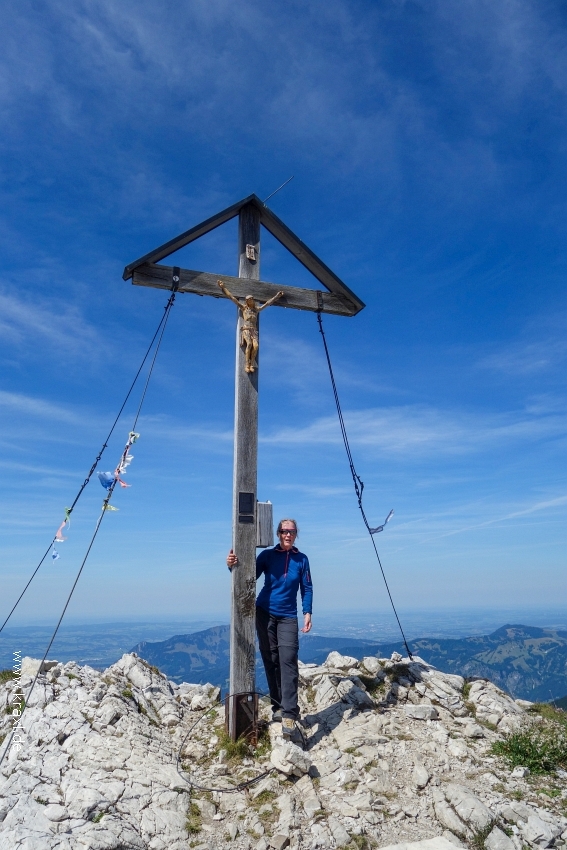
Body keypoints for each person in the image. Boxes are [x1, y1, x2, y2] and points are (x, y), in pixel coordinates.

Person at [226, 518, 312, 738]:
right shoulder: (267, 556)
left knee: (288, 659)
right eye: (284, 531)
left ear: (295, 534)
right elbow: (248, 576)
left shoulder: (302, 559)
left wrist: (307, 612)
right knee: (271, 659)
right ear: (278, 533)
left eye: (291, 531)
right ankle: (278, 707)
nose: (287, 535)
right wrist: (232, 565)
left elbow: (307, 587)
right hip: (264, 612)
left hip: (288, 616)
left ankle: (290, 713)